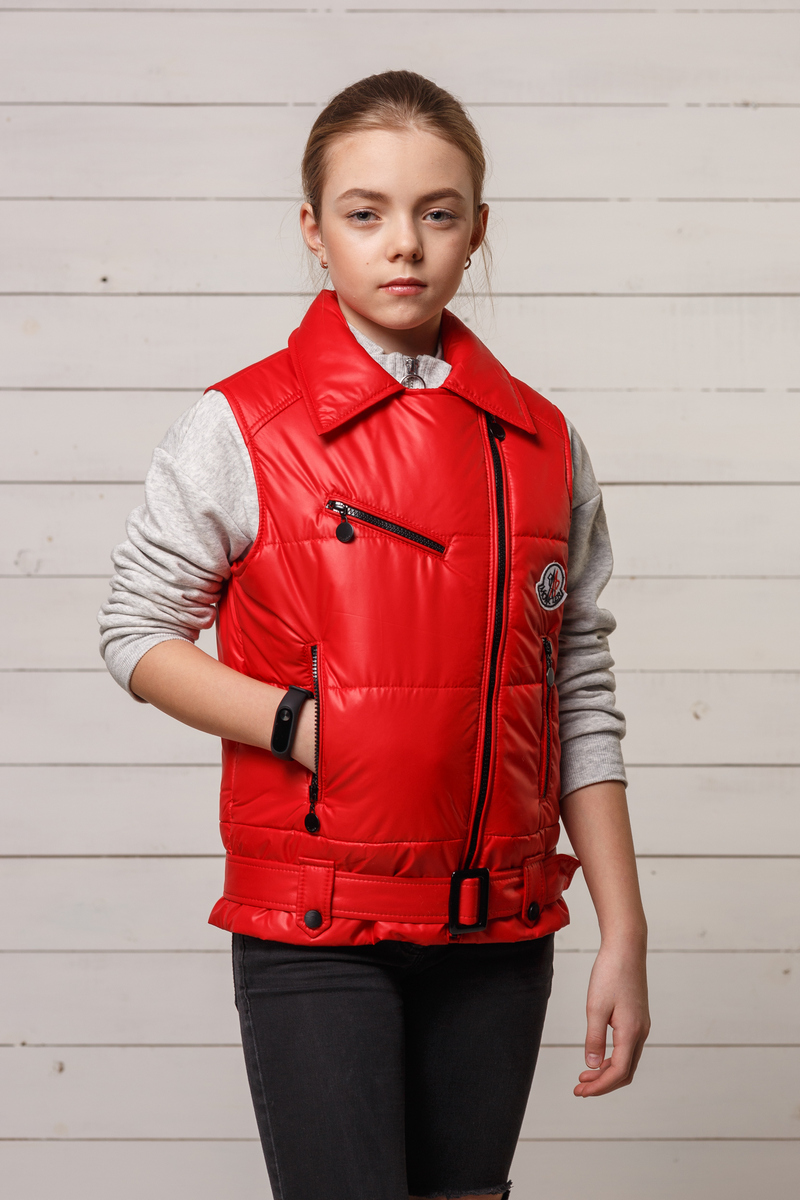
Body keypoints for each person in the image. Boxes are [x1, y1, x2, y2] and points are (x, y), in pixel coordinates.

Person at [99, 70, 650, 1200]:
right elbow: (136, 631)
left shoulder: (544, 443)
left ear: (477, 229)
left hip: (501, 932)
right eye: (365, 213)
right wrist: (300, 726)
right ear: (313, 229)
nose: (403, 244)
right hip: (316, 930)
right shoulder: (243, 425)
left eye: (436, 213)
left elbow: (574, 685)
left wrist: (623, 932)